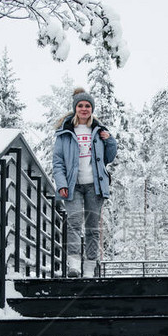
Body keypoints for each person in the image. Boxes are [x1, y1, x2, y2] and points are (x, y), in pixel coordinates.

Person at [52, 88, 118, 277]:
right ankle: (74, 266)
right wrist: (62, 183)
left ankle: (89, 269)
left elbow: (109, 157)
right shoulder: (64, 133)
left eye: (87, 106)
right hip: (72, 186)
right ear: (75, 108)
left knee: (92, 228)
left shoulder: (98, 131)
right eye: (80, 105)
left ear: (91, 109)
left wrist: (110, 141)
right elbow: (57, 162)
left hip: (94, 187)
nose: (84, 109)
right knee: (73, 222)